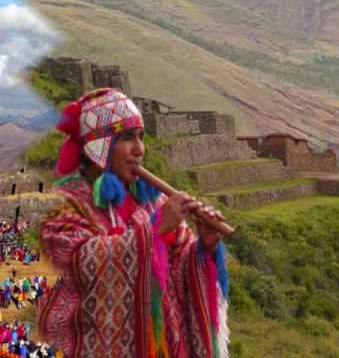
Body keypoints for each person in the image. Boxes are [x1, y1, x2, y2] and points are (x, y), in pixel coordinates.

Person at [37, 89, 229, 358]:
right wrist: (154, 230)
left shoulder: (153, 203)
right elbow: (79, 263)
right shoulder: (64, 206)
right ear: (99, 147)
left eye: (141, 137)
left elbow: (178, 267)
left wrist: (204, 246)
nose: (140, 150)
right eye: (127, 138)